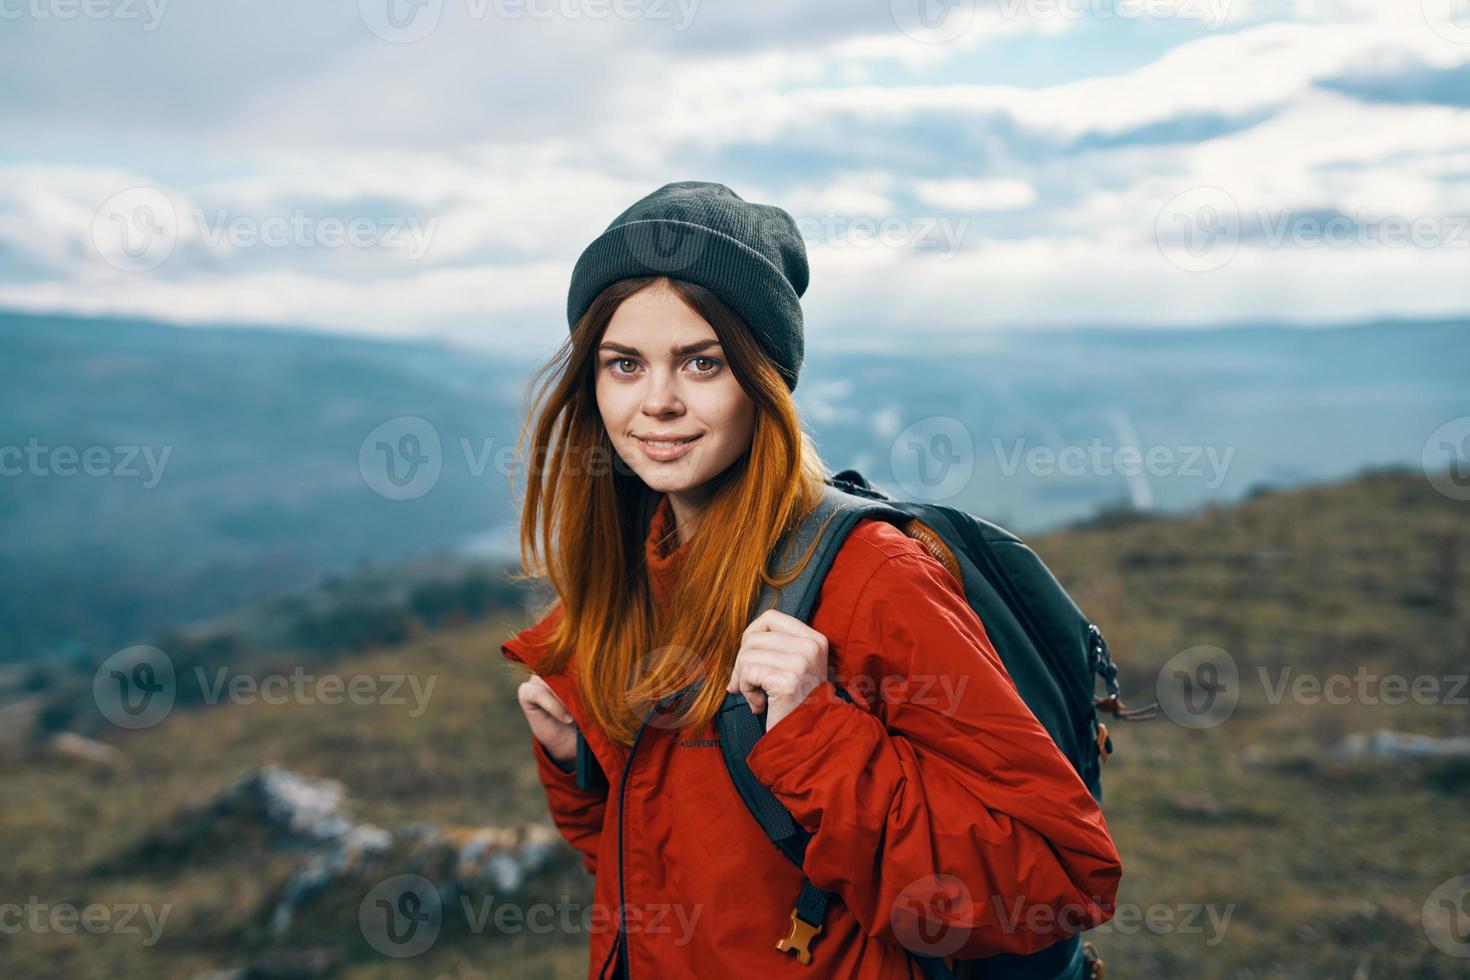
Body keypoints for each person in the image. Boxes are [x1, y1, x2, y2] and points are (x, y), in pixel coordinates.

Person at [503, 180, 1122, 979]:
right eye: (625, 364)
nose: (656, 402)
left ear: (765, 380)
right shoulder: (638, 575)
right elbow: (675, 882)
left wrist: (818, 740)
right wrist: (579, 765)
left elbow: (1055, 883)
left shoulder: (875, 578)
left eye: (701, 362)